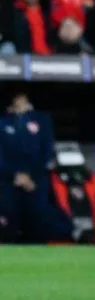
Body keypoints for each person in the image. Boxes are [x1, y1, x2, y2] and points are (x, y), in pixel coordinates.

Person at [0, 92, 71, 243]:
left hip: (36, 182)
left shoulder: (42, 119)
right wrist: (14, 176)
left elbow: (47, 152)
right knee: (8, 228)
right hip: (8, 183)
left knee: (37, 227)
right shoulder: (3, 121)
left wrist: (30, 177)